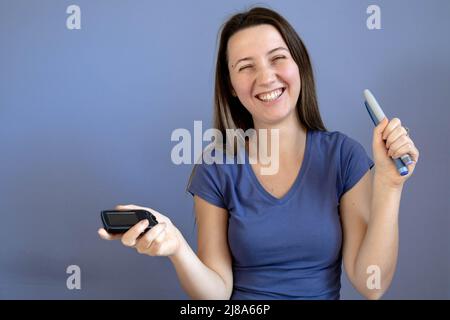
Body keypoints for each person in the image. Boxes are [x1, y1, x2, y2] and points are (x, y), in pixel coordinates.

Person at [98, 7, 419, 300]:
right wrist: (178, 248)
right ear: (231, 86)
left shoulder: (344, 156)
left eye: (277, 58)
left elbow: (371, 285)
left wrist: (390, 186)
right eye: (246, 66)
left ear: (299, 64)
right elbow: (216, 294)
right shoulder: (216, 166)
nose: (266, 77)